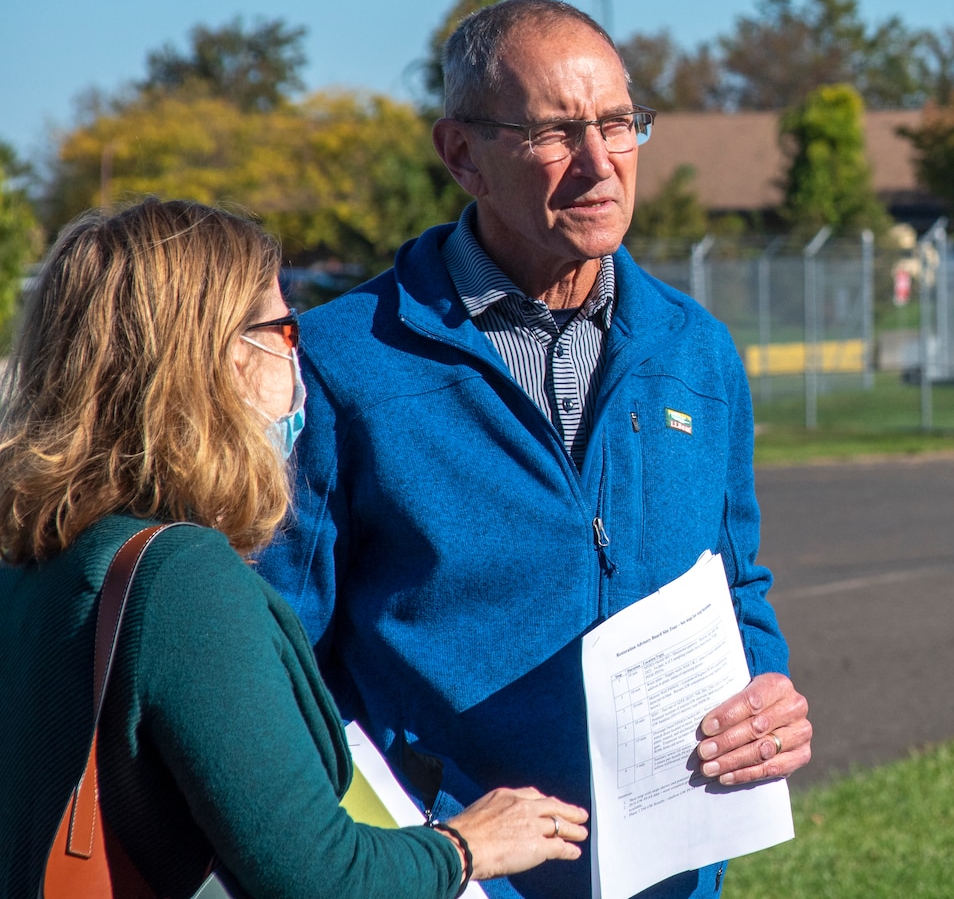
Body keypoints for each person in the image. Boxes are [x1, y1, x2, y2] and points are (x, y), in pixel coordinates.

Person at [256, 0, 812, 899]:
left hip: (672, 878)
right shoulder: (336, 364)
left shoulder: (696, 353)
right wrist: (413, 852)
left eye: (619, 124)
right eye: (555, 132)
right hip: (450, 877)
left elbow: (736, 583)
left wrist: (767, 690)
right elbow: (276, 656)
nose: (600, 163)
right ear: (462, 154)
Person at [0, 198, 588, 899]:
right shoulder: (184, 580)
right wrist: (467, 845)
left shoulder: (41, 557)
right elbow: (317, 875)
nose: (298, 355)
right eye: (283, 330)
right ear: (214, 361)